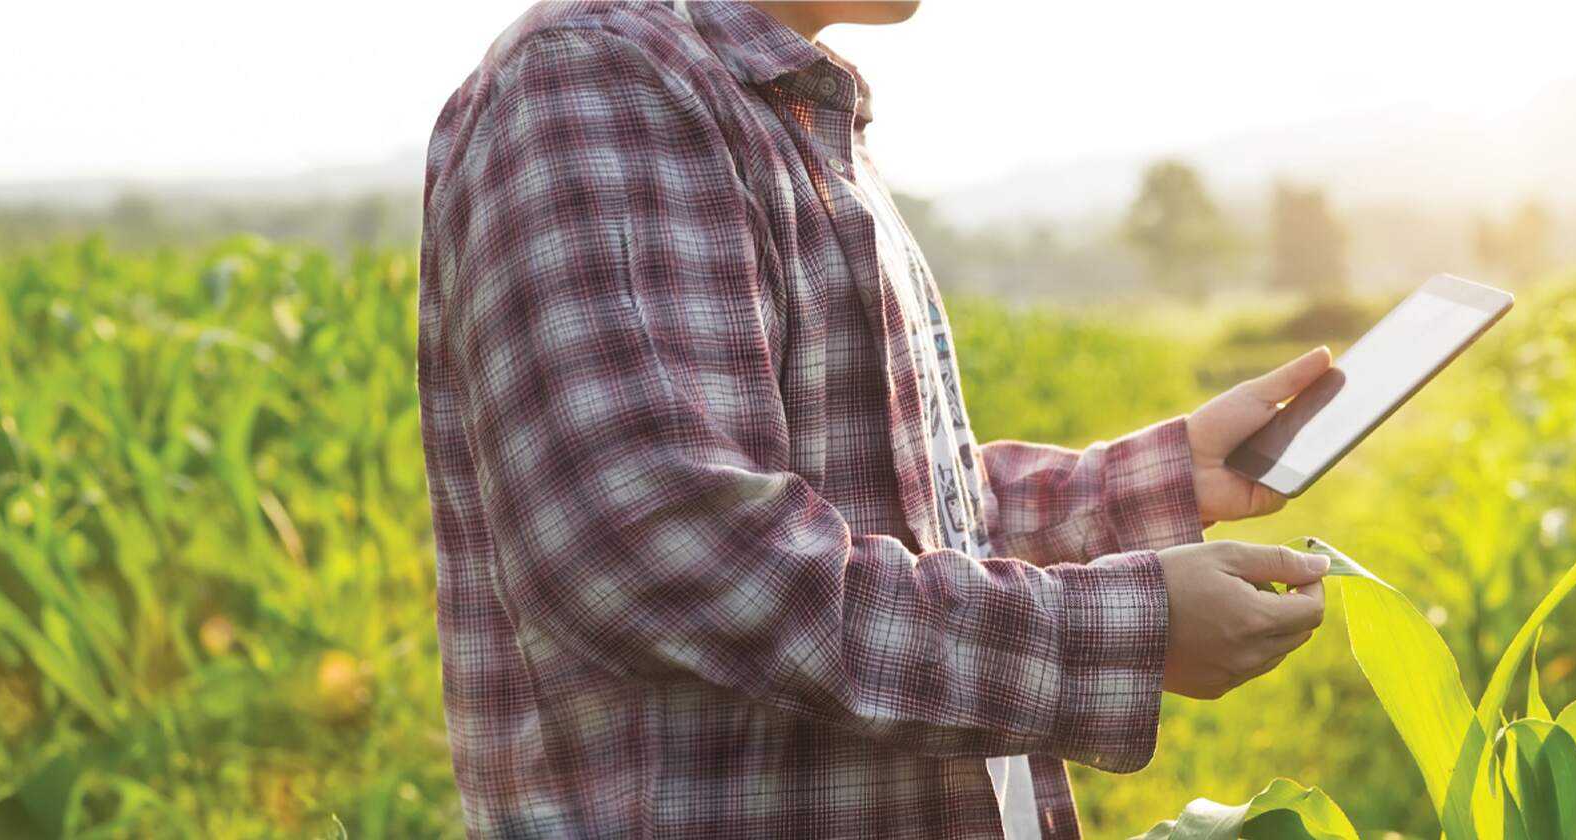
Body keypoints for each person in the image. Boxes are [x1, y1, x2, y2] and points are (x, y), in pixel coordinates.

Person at [415, 2, 1337, 837]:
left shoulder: (784, 105)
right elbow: (665, 551)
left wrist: (1156, 479)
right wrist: (1124, 629)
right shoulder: (601, 83)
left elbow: (904, 514)